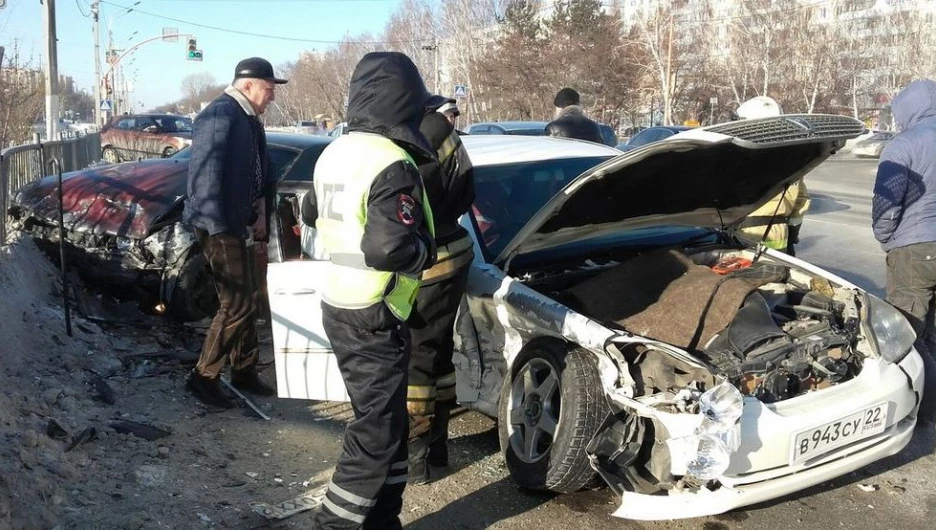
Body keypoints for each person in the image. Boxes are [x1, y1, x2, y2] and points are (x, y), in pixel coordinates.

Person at [312, 51, 437, 529]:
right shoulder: (392, 160)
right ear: (403, 102)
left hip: (340, 302)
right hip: (375, 310)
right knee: (378, 430)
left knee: (386, 420)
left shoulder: (336, 151)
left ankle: (383, 519)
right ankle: (335, 524)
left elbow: (309, 212)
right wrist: (425, 252)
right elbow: (389, 248)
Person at [182, 57, 286, 408]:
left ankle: (244, 370)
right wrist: (220, 228)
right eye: (269, 89)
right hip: (219, 224)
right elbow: (206, 177)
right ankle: (203, 377)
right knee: (237, 303)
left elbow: (262, 169)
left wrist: (261, 210)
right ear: (248, 86)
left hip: (239, 220)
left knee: (249, 301)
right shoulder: (219, 116)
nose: (272, 96)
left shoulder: (248, 118)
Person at [407, 98, 475, 484]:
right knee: (439, 355)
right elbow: (465, 189)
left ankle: (415, 461)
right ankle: (438, 450)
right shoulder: (442, 130)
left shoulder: (400, 132)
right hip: (456, 251)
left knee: (417, 360)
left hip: (424, 261)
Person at [871, 79, 936, 426]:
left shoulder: (904, 145)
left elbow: (885, 206)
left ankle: (924, 410)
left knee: (907, 330)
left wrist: (887, 240)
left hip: (915, 249)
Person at [734, 96, 810, 255]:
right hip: (779, 235)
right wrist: (792, 234)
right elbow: (801, 201)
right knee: (773, 277)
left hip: (743, 236)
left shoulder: (739, 160)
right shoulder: (792, 162)